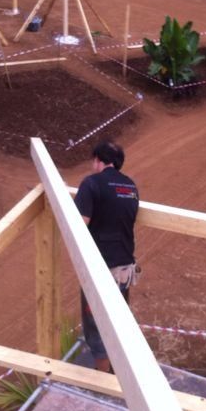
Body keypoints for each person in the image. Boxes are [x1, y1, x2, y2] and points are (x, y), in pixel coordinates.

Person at [75, 141, 139, 373]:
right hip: (125, 268)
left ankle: (103, 381)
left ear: (98, 161)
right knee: (119, 321)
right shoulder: (130, 186)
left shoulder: (92, 184)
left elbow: (79, 225)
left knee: (97, 327)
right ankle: (120, 370)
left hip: (100, 269)